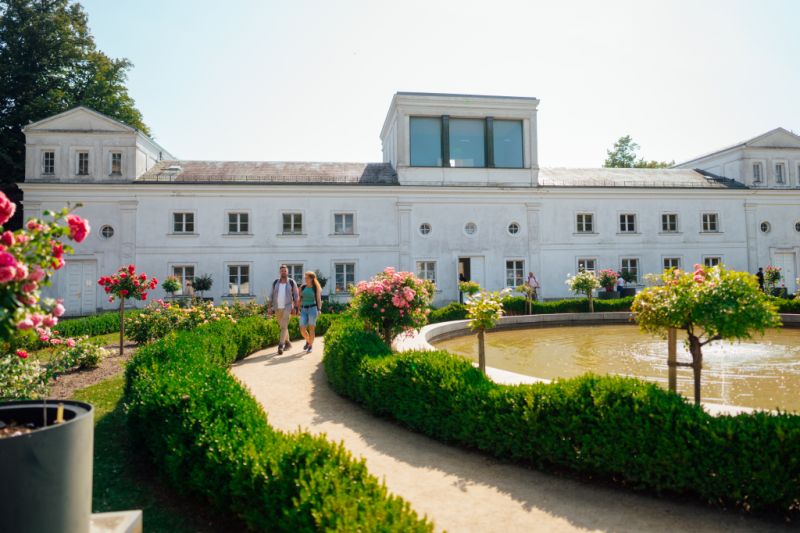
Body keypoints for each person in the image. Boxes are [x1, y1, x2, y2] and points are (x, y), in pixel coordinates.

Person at [268, 265, 299, 355]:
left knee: (284, 325)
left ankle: (281, 345)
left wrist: (296, 308)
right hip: (277, 307)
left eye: (285, 271)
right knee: (283, 327)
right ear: (280, 272)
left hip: (288, 307)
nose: (283, 272)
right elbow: (271, 296)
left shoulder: (292, 282)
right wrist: (269, 307)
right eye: (282, 271)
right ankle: (288, 342)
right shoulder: (275, 283)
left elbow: (296, 296)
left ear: (287, 272)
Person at [299, 271, 323, 354]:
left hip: (313, 309)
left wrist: (319, 309)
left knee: (311, 328)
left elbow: (319, 299)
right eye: (305, 277)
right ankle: (308, 341)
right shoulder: (302, 287)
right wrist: (297, 308)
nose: (305, 279)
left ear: (312, 278)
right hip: (304, 310)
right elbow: (300, 299)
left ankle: (310, 346)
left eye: (307, 277)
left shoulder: (316, 288)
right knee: (302, 329)